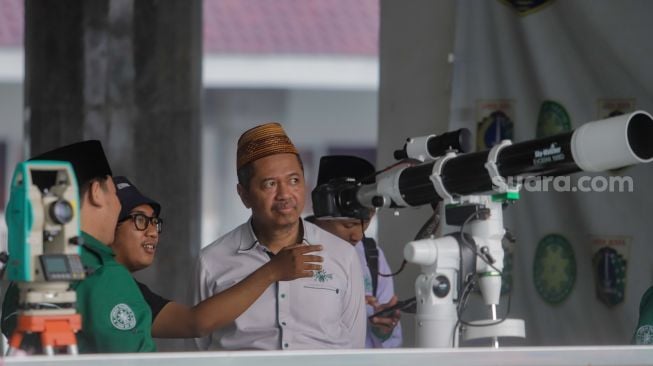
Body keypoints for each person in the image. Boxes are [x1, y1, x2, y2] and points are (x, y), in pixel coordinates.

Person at [192, 122, 366, 350]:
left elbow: (353, 349)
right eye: (270, 184)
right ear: (244, 195)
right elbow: (197, 348)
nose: (285, 194)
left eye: (294, 180)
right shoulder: (213, 261)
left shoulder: (341, 255)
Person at [109, 176, 323, 338]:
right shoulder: (87, 279)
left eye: (154, 222)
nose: (153, 232)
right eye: (139, 220)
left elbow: (194, 322)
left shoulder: (130, 290)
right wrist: (272, 271)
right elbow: (196, 325)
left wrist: (272, 272)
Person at [1, 140, 156, 353]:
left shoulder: (26, 273)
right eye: (114, 192)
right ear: (96, 192)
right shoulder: (104, 275)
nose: (119, 205)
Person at [307, 155, 402, 348]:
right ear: (321, 212)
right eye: (348, 224)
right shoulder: (291, 253)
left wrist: (382, 328)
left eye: (366, 222)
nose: (358, 235)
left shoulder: (371, 255)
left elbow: (390, 344)